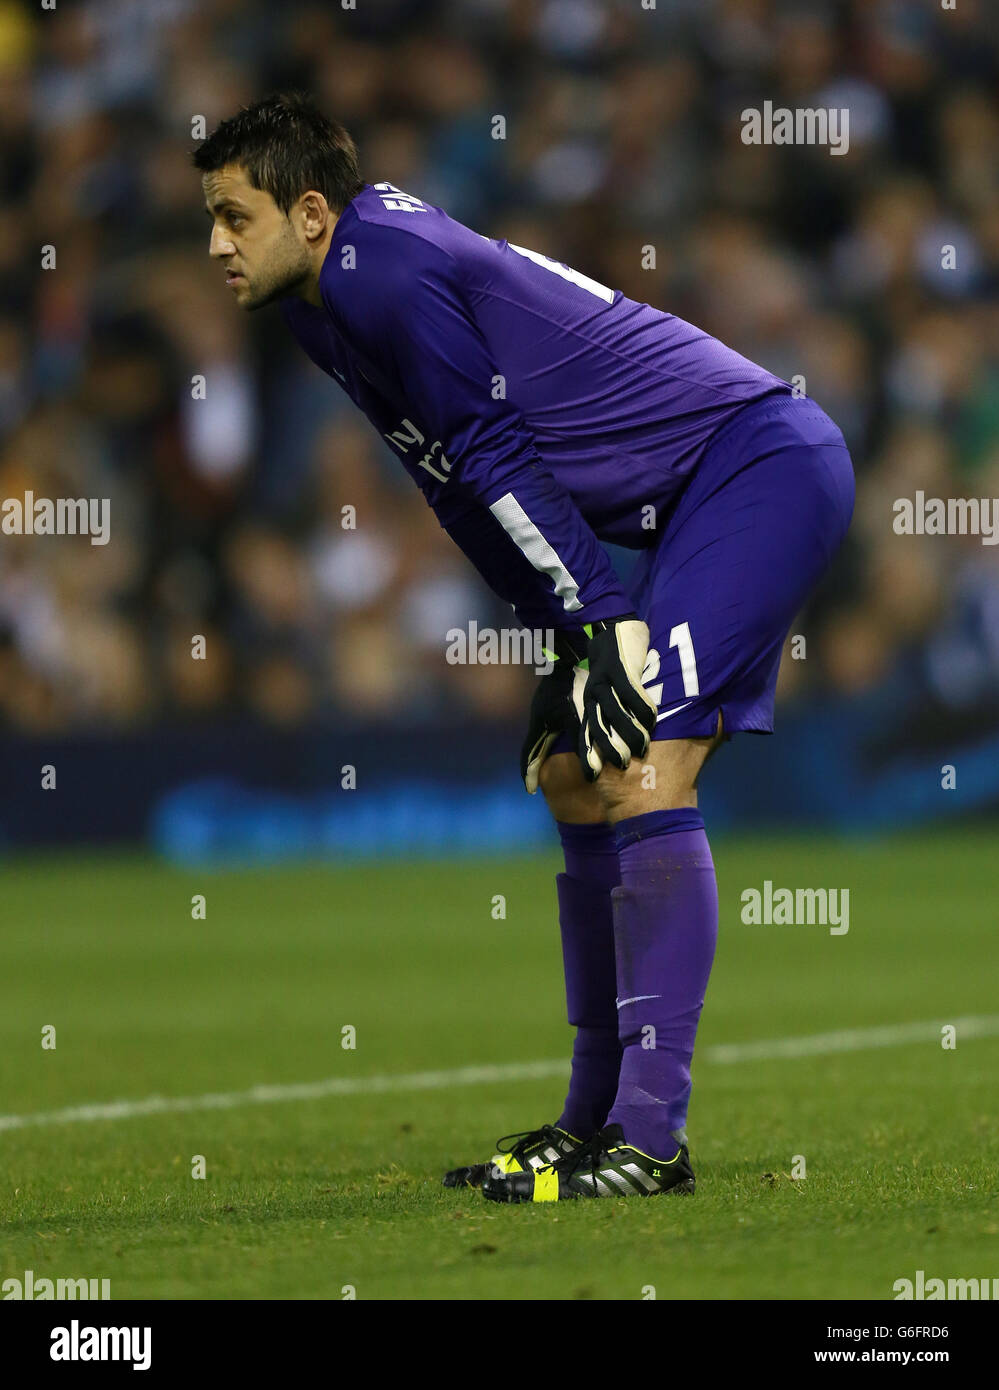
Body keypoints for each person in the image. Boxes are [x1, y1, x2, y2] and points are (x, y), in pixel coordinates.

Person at [194, 91, 854, 1202]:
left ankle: (650, 1139)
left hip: (759, 464)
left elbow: (495, 447)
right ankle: (588, 1118)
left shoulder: (383, 270)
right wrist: (568, 633)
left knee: (646, 771)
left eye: (232, 217)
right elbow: (450, 479)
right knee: (572, 773)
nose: (213, 243)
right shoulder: (322, 301)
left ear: (311, 213)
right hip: (688, 501)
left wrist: (598, 623)